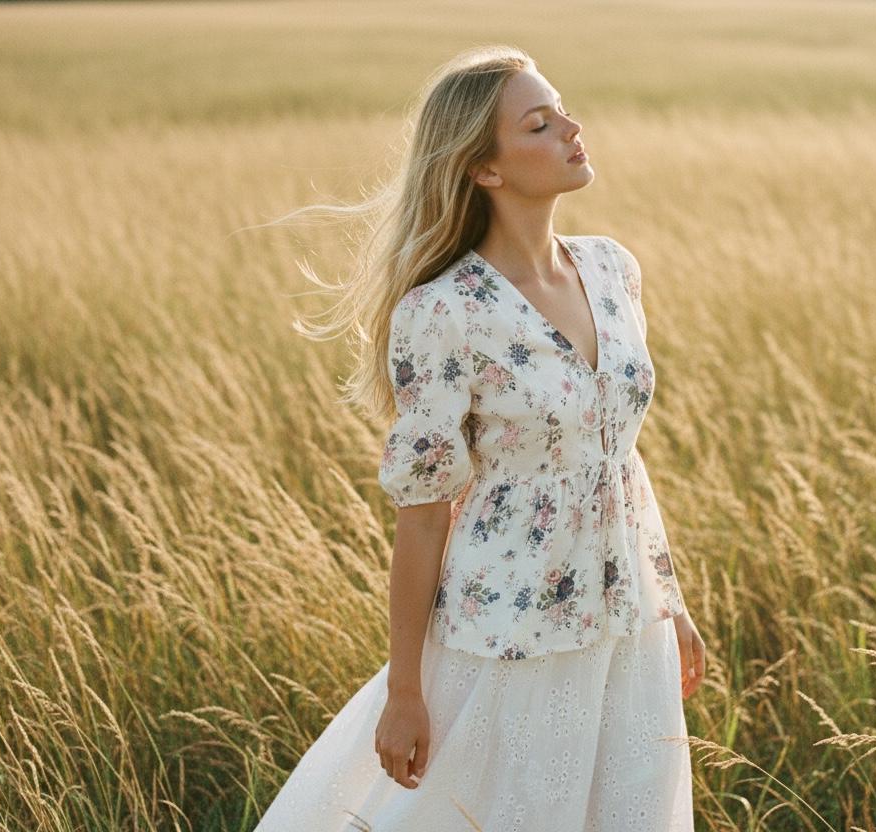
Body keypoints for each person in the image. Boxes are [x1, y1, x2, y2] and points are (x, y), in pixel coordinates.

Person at [251, 44, 706, 831]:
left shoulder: (613, 270)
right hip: (510, 634)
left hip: (629, 623)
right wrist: (405, 689)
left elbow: (616, 460)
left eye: (563, 111)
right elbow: (424, 512)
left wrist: (670, 600)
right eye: (539, 124)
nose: (571, 128)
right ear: (484, 168)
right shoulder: (443, 312)